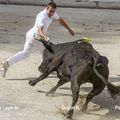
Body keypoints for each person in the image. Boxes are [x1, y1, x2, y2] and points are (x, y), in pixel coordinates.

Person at [0, 2, 74, 77]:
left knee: (25, 53)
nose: (51, 13)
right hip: (36, 37)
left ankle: (6, 63)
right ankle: (45, 68)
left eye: (53, 11)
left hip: (31, 35)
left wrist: (69, 29)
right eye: (50, 11)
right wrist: (45, 37)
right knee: (49, 53)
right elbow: (39, 30)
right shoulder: (42, 16)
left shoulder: (53, 13)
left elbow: (60, 20)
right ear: (46, 8)